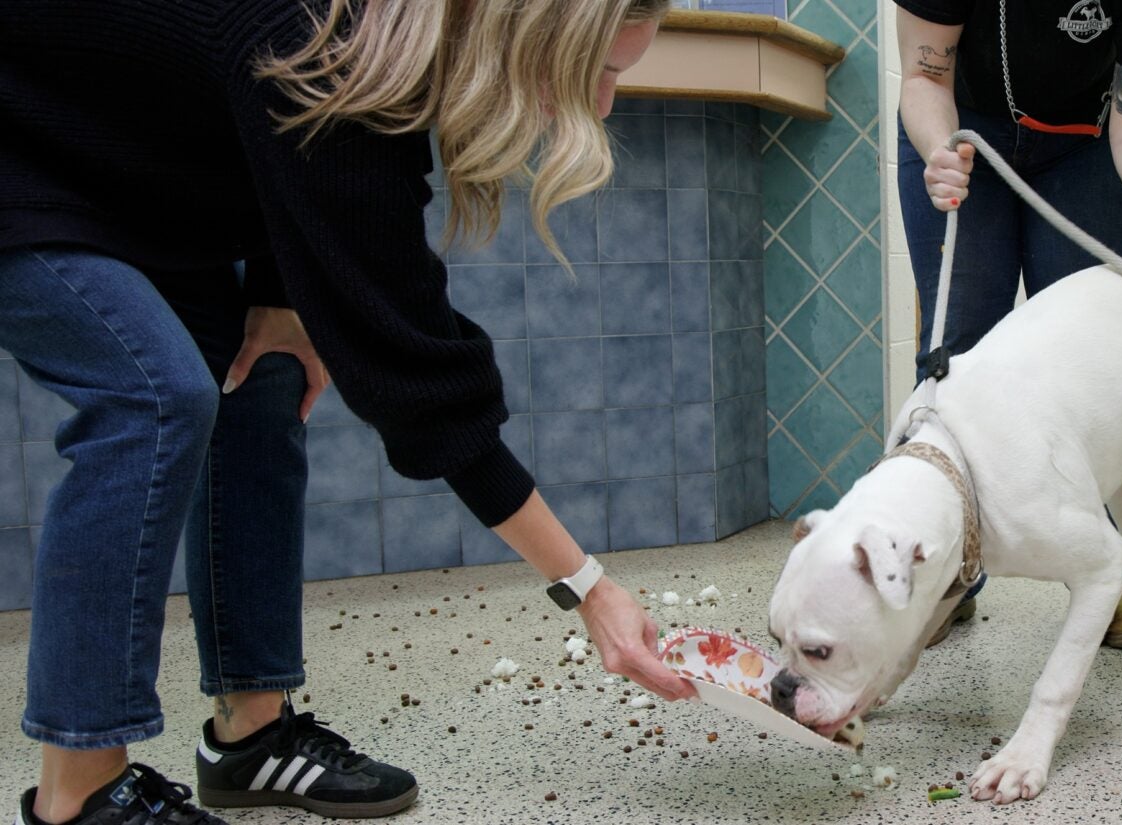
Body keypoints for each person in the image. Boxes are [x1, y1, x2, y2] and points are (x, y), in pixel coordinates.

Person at [0, 1, 695, 822]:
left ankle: (250, 739)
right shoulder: (330, 49)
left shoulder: (373, 57)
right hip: (26, 153)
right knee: (153, 395)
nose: (606, 104)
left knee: (262, 374)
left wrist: (274, 290)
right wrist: (589, 588)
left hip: (117, 166)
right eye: (602, 74)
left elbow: (257, 133)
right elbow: (422, 386)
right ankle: (79, 794)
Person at [891, 0, 1122, 649]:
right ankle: (944, 569)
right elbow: (925, 76)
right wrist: (937, 151)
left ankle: (1116, 566)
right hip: (963, 122)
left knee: (1096, 370)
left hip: (1089, 144)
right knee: (958, 348)